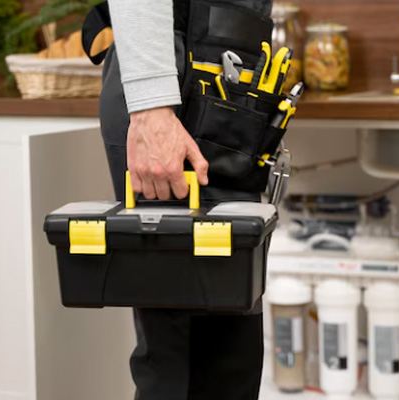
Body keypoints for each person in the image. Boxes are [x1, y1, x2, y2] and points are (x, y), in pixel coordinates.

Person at [99, 1, 272, 398]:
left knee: (230, 352)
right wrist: (151, 109)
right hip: (178, 94)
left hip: (222, 82)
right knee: (183, 360)